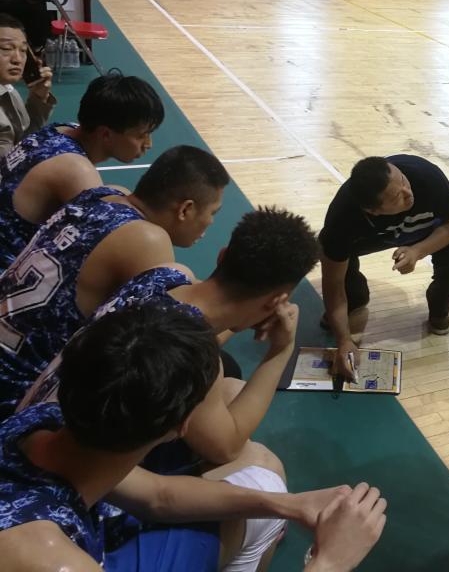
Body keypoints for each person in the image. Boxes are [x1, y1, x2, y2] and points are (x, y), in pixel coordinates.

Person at [0, 302, 387, 572]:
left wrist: (288, 505)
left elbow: (157, 496)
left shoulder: (41, 424)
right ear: (182, 427)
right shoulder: (49, 558)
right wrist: (329, 562)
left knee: (264, 487)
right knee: (262, 478)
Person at [20, 207, 320, 473]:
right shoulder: (195, 354)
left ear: (222, 255)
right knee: (259, 462)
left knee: (230, 387)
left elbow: (195, 328)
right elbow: (225, 447)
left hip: (31, 423)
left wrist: (247, 318)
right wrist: (280, 351)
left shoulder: (165, 275)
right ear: (276, 300)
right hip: (70, 471)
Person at [0, 144, 228, 419]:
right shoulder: (147, 241)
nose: (211, 222)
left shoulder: (105, 194)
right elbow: (171, 344)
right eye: (213, 212)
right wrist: (241, 312)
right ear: (186, 209)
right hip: (15, 384)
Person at [320, 155, 449, 380]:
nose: (407, 192)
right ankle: (356, 299)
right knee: (333, 258)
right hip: (374, 237)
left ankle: (439, 306)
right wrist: (344, 340)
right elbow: (333, 285)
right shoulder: (343, 218)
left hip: (425, 229)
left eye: (402, 180)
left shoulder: (426, 176)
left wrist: (418, 251)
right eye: (396, 196)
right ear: (373, 210)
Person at [0, 72, 163, 271]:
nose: (148, 144)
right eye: (141, 135)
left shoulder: (63, 129)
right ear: (105, 134)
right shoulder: (77, 171)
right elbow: (100, 249)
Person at [0, 15, 54, 158]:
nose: (17, 59)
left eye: (23, 50)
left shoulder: (10, 91)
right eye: (6, 48)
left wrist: (38, 97)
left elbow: (25, 141)